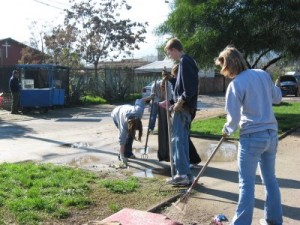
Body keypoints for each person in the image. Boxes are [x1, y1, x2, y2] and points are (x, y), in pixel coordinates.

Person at [215, 46, 283, 225]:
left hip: (252, 137)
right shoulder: (262, 74)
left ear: (228, 65)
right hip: (271, 135)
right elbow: (278, 98)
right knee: (270, 180)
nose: (224, 72)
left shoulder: (236, 84)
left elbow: (233, 119)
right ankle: (274, 220)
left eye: (223, 67)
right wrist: (272, 86)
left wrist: (226, 130)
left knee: (246, 183)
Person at [164, 38, 199, 185]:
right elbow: (184, 84)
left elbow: (189, 88)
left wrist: (180, 101)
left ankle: (182, 174)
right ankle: (187, 175)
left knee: (177, 141)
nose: (170, 56)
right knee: (182, 141)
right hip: (185, 109)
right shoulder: (186, 62)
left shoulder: (185, 61)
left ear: (173, 49)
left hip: (183, 109)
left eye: (169, 52)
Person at [111, 95, 153, 166]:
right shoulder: (123, 124)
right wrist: (122, 156)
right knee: (126, 136)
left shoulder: (138, 111)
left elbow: (140, 100)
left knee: (131, 135)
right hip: (116, 114)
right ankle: (122, 154)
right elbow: (122, 139)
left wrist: (150, 97)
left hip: (126, 108)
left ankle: (127, 153)